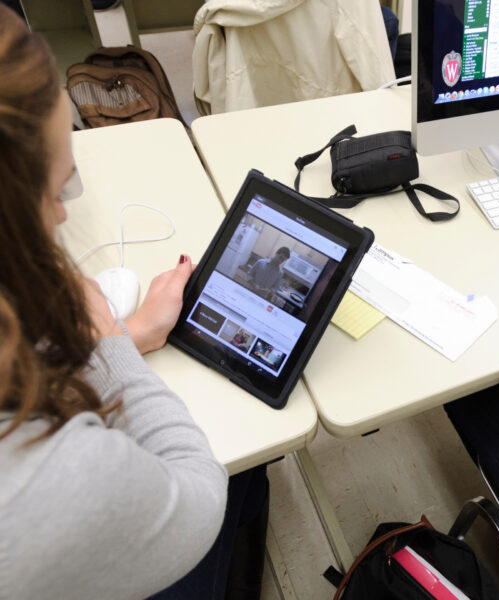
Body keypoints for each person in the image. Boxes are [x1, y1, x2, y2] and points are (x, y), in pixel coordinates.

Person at [0, 7, 264, 598]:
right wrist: (115, 348)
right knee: (246, 469)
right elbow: (197, 495)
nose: (65, 211)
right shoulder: (50, 477)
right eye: (56, 186)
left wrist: (131, 331)